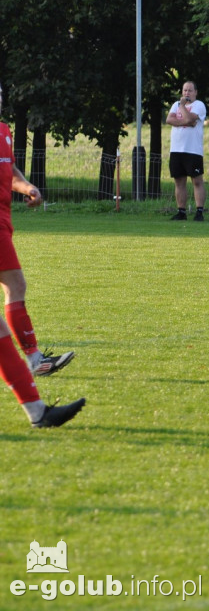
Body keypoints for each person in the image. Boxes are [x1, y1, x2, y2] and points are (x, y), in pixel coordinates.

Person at [0, 82, 84, 428]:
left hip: (4, 218)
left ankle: (38, 408)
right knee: (15, 289)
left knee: (13, 293)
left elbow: (11, 172)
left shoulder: (3, 131)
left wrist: (27, 186)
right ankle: (35, 367)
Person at [166, 81, 207, 221]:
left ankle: (199, 212)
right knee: (179, 181)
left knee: (197, 181)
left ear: (195, 92)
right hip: (176, 149)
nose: (186, 93)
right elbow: (169, 119)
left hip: (193, 150)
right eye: (184, 90)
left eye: (189, 90)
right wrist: (186, 122)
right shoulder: (175, 105)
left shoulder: (199, 105)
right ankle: (181, 212)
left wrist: (183, 107)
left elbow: (190, 118)